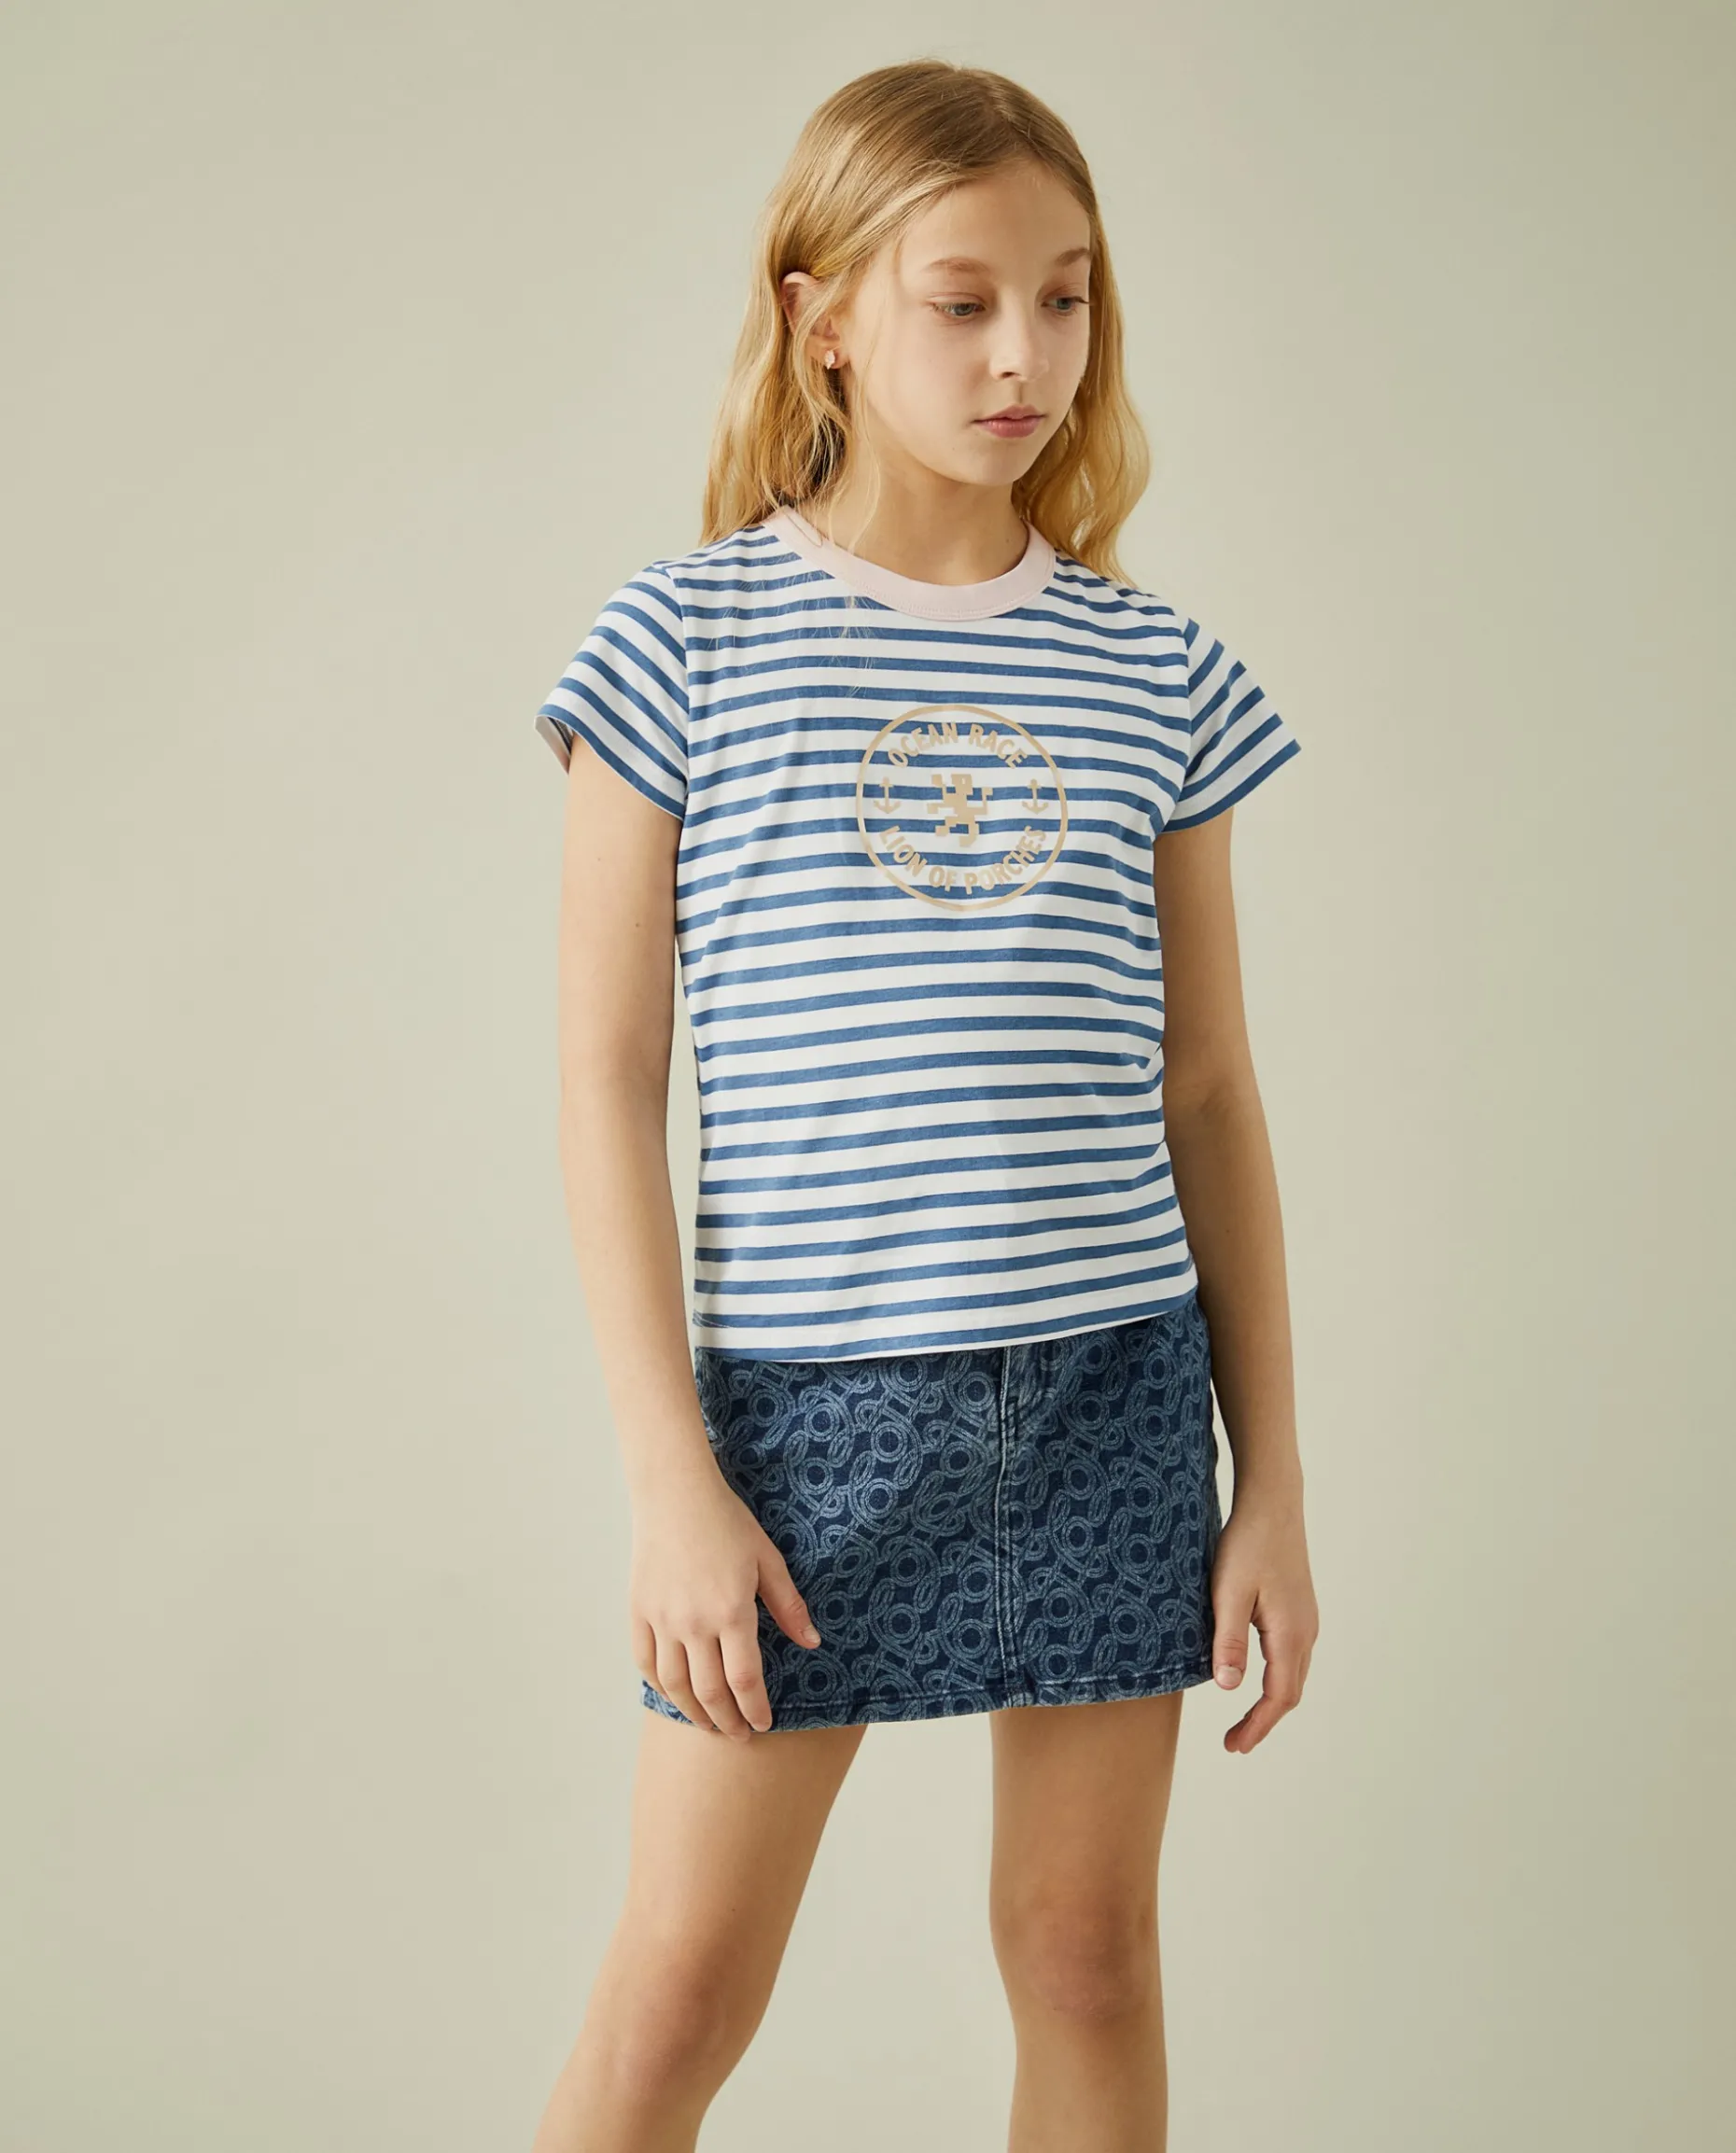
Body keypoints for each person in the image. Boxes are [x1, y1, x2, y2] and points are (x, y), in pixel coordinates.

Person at [527, 57, 1320, 2153]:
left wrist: (1271, 1478)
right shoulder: (682, 643)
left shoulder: (1153, 670)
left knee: (1086, 1957)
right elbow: (606, 1079)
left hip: (1114, 1393)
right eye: (962, 302)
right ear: (822, 320)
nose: (1023, 355)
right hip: (806, 1425)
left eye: (1064, 298)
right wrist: (670, 1478)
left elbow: (1210, 1084)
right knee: (677, 1997)